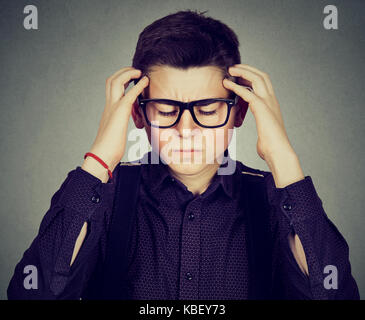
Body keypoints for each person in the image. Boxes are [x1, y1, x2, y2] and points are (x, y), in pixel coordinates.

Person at [7, 9, 359, 300]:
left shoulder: (276, 199)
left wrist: (285, 160)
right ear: (138, 114)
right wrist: (100, 157)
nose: (186, 130)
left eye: (206, 110)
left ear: (238, 113)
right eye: (165, 109)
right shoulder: (105, 196)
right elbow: (33, 293)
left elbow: (334, 295)